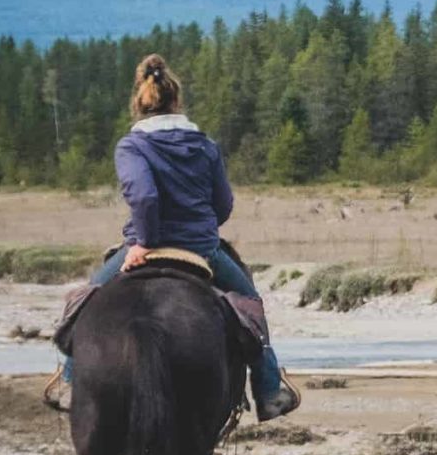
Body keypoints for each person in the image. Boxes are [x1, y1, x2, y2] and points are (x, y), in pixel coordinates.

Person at [52, 54, 300, 421]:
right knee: (249, 300)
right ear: (176, 100)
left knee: (87, 300)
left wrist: (144, 243)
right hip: (201, 249)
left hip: (145, 246)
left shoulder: (132, 146)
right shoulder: (204, 144)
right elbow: (224, 203)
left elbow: (145, 196)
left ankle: (71, 384)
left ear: (140, 102)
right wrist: (200, 226)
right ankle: (268, 390)